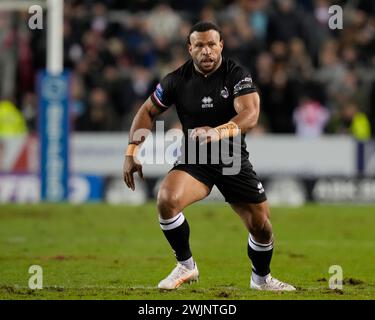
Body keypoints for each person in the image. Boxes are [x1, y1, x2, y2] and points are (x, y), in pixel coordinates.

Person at [123, 21, 295, 291]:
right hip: (196, 159)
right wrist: (131, 151)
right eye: (200, 45)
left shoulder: (236, 74)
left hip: (231, 159)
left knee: (261, 227)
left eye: (212, 44)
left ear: (221, 46)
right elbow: (146, 112)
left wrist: (218, 132)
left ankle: (261, 279)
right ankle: (186, 265)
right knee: (167, 200)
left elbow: (250, 114)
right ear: (190, 48)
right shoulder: (176, 80)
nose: (207, 51)